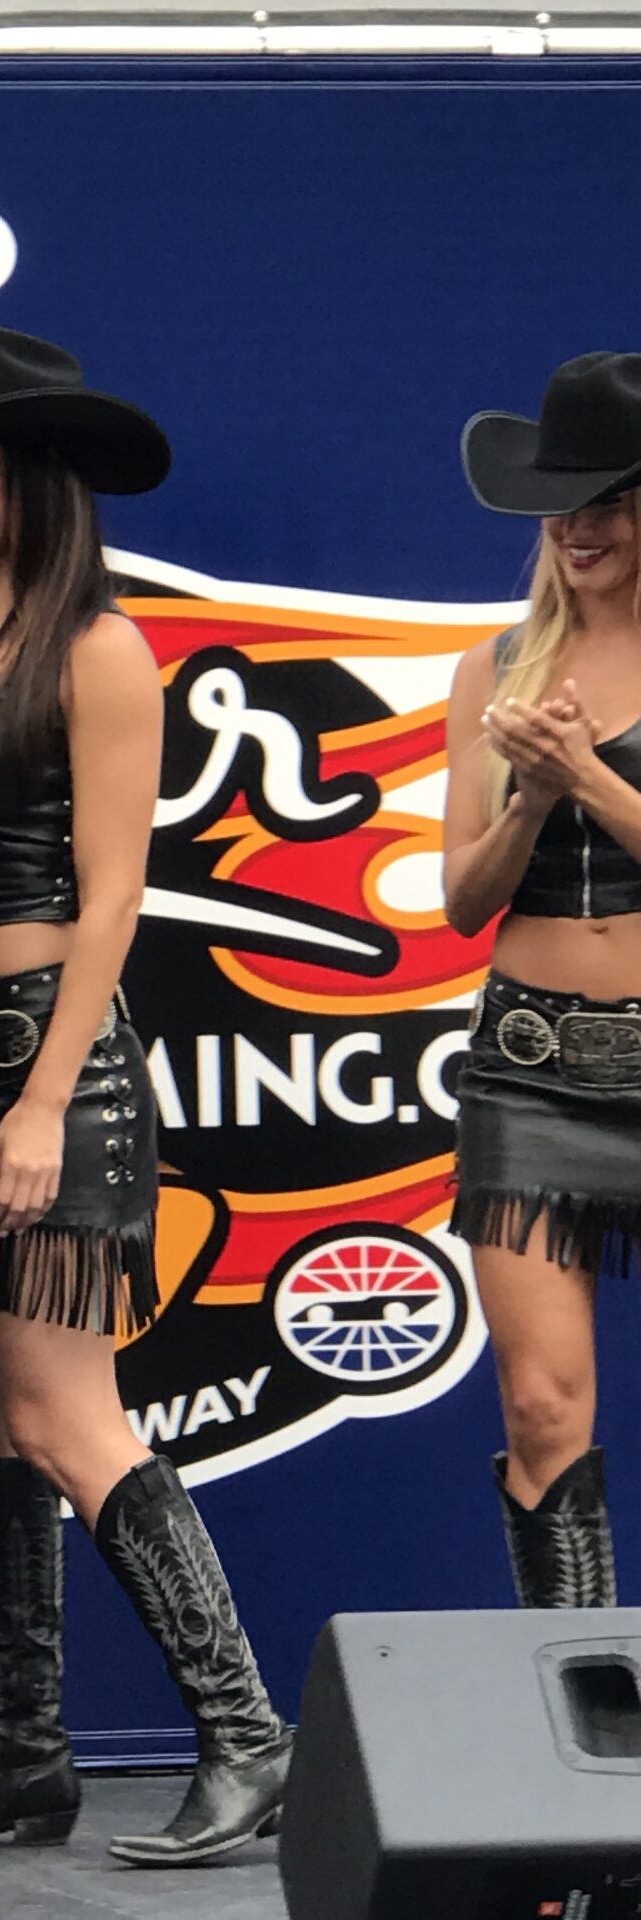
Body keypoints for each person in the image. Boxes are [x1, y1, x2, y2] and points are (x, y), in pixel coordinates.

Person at [0, 327, 293, 1867]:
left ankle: (248, 1736)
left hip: (52, 1066)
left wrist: (38, 1100)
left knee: (61, 1409)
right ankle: (22, 1758)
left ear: (34, 476)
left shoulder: (98, 649)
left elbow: (112, 900)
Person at [442, 350, 641, 1609]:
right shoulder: (497, 666)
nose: (577, 526)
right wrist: (525, 798)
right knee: (540, 1404)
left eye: (607, 499)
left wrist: (589, 779)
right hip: (527, 1069)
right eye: (559, 502)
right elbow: (462, 902)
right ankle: (585, 1693)